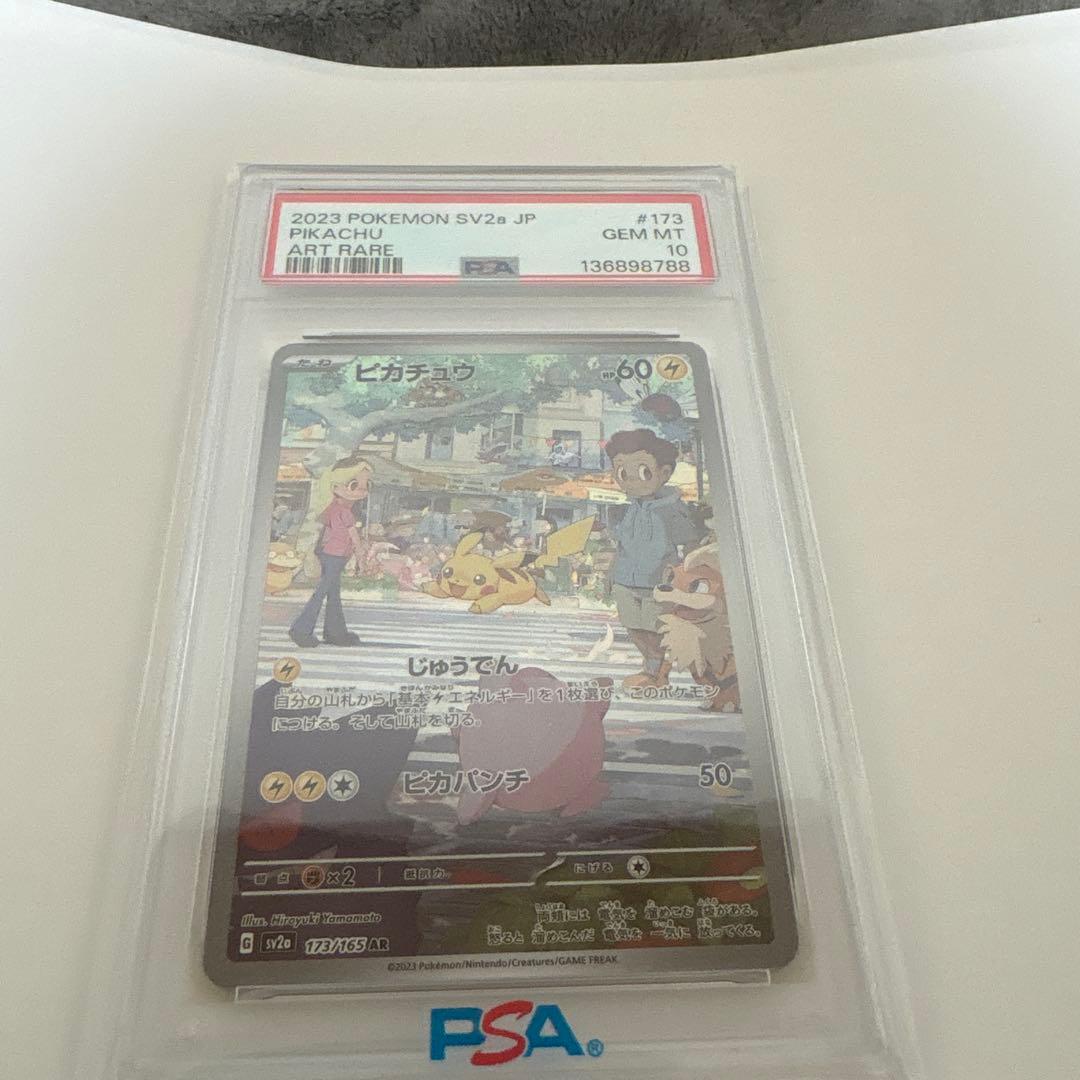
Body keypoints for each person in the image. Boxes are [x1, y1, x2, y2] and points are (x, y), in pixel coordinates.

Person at [605, 429, 703, 689]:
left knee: (654, 628)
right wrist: (611, 573)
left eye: (643, 472)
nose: (631, 481)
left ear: (665, 472)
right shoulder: (630, 509)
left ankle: (655, 672)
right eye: (622, 473)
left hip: (657, 581)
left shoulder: (672, 510)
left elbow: (690, 544)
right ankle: (654, 667)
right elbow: (622, 545)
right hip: (625, 579)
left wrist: (685, 577)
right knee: (632, 626)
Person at [289, 455, 373, 648]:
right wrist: (360, 555)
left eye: (366, 485)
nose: (362, 490)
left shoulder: (331, 509)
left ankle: (335, 632)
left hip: (330, 554)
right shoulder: (345, 512)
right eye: (354, 485)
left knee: (333, 593)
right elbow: (353, 537)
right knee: (322, 592)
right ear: (335, 487)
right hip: (336, 555)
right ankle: (301, 629)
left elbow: (326, 531)